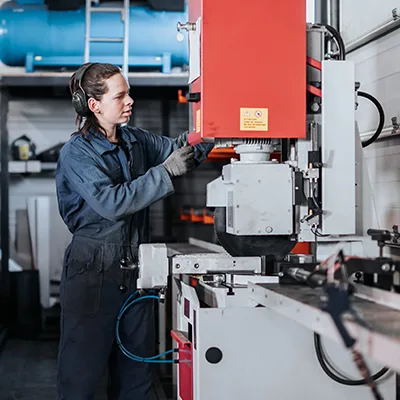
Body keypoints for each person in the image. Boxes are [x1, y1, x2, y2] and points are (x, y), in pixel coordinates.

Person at [55, 62, 213, 400]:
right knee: (82, 377)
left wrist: (213, 127)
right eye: (121, 95)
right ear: (94, 105)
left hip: (137, 269)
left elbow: (177, 151)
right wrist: (165, 173)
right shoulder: (77, 153)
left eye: (129, 93)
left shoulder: (135, 140)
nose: (130, 101)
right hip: (93, 272)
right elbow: (112, 203)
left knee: (137, 374)